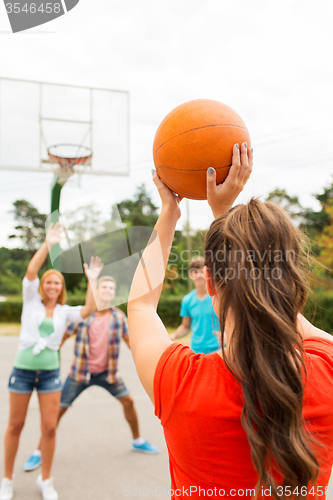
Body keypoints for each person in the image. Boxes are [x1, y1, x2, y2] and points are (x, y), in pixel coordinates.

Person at [127, 142, 333, 500]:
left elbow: (141, 305)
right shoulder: (327, 370)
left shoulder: (182, 382)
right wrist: (226, 215)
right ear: (290, 279)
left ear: (209, 283)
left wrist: (170, 212)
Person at [0, 222, 102, 500]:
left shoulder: (64, 312)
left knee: (50, 427)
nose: (53, 285)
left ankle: (46, 480)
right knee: (15, 426)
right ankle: (7, 480)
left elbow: (89, 309)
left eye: (57, 282)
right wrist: (48, 243)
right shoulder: (30, 301)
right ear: (42, 286)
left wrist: (93, 278)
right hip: (22, 371)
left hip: (49, 375)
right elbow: (32, 271)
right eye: (49, 282)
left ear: (61, 287)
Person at [24, 274, 159, 473]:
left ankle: (137, 441)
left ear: (114, 293)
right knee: (58, 410)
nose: (107, 291)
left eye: (111, 288)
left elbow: (132, 343)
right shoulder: (83, 315)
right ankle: (39, 450)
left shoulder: (118, 317)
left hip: (108, 374)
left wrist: (150, 359)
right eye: (104, 287)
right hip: (80, 374)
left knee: (128, 401)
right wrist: (48, 361)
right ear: (97, 291)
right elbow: (60, 338)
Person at [170, 256, 220, 354]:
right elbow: (185, 327)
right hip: (196, 351)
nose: (199, 275)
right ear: (190, 274)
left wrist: (227, 335)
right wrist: (173, 335)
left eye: (202, 272)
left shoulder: (217, 297)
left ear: (207, 274)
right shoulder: (187, 300)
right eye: (195, 272)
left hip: (217, 350)